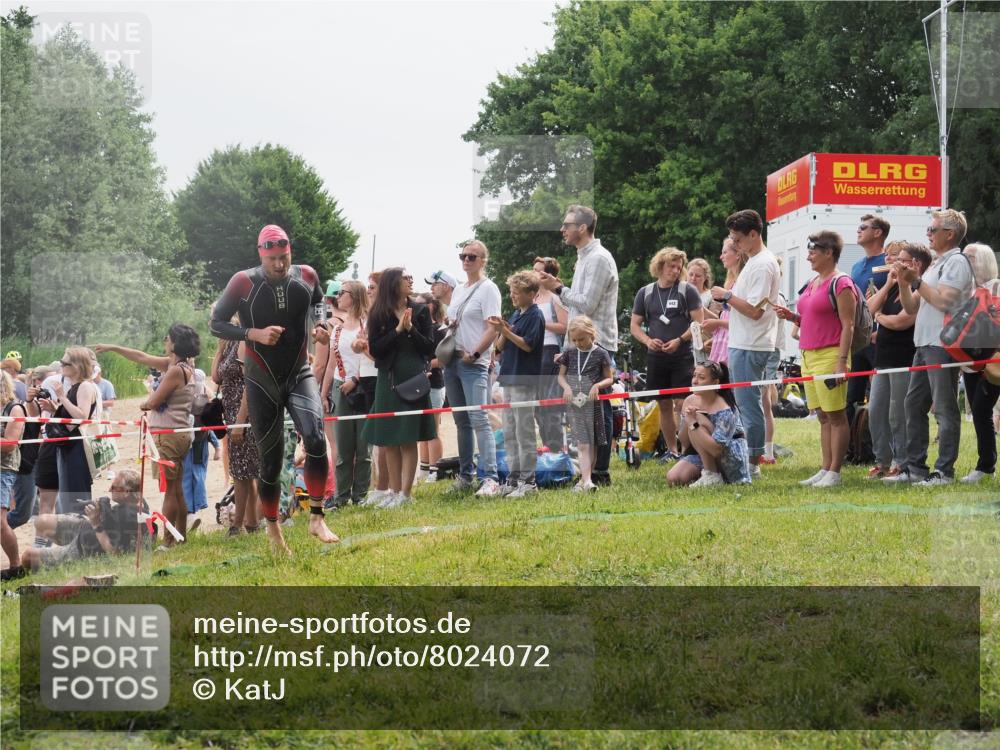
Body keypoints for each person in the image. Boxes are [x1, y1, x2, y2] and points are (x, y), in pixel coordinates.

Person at [210, 224, 339, 553]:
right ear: (261, 255)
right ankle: (272, 529)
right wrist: (253, 334)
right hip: (261, 379)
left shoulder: (307, 275)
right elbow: (216, 323)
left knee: (315, 438)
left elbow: (319, 304)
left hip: (298, 373)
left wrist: (321, 325)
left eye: (284, 257)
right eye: (273, 260)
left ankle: (317, 517)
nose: (280, 265)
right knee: (270, 463)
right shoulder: (243, 282)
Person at [888, 209, 976, 486]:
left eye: (932, 229)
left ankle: (944, 471)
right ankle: (915, 468)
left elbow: (944, 301)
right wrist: (904, 283)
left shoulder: (957, 262)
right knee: (913, 404)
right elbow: (911, 306)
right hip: (924, 343)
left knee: (944, 408)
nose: (928, 233)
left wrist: (916, 280)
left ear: (949, 234)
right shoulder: (937, 264)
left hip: (942, 343)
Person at [538, 205, 620, 486]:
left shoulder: (598, 258)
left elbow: (586, 304)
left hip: (598, 343)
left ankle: (600, 472)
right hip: (579, 345)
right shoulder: (584, 257)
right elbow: (577, 308)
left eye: (567, 225)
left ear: (582, 228)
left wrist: (558, 288)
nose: (562, 229)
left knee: (599, 408)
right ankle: (589, 470)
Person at [96, 325, 200, 545]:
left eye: (167, 338)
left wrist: (146, 398)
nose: (165, 342)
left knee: (169, 491)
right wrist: (113, 347)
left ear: (174, 343)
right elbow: (141, 357)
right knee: (177, 488)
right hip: (179, 433)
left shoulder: (174, 370)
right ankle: (180, 536)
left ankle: (168, 541)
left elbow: (153, 402)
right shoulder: (181, 366)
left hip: (167, 435)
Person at [775, 231, 857, 488]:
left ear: (829, 253)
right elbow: (813, 318)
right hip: (808, 355)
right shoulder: (812, 282)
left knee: (836, 415)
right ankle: (825, 468)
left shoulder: (842, 283)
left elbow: (848, 325)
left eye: (813, 251)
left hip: (830, 354)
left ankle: (835, 471)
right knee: (822, 415)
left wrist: (841, 361)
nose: (809, 256)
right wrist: (792, 317)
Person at [712, 210, 780, 475]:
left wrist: (727, 296)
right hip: (744, 342)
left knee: (749, 407)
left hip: (751, 344)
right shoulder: (755, 261)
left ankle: (752, 463)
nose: (735, 244)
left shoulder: (762, 264)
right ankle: (750, 458)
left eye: (738, 239)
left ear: (753, 234)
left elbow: (755, 311)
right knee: (747, 404)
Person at [362, 268, 437, 508]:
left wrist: (411, 329)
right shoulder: (378, 313)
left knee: (408, 438)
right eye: (406, 277)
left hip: (412, 379)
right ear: (393, 283)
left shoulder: (421, 310)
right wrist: (397, 331)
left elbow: (429, 347)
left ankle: (406, 494)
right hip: (388, 379)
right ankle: (393, 492)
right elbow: (375, 349)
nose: (411, 280)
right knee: (390, 439)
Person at [630, 247, 704, 459]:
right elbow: (634, 325)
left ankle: (689, 448)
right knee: (663, 403)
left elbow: (698, 322)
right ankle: (672, 450)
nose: (676, 271)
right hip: (656, 357)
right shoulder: (645, 293)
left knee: (682, 403)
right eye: (672, 266)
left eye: (679, 267)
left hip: (682, 355)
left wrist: (680, 340)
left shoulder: (687, 290)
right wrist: (647, 341)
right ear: (660, 266)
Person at [443, 240, 504, 496]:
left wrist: (477, 353)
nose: (466, 260)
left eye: (472, 256)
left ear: (483, 261)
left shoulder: (489, 289)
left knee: (479, 418)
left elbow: (493, 327)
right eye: (463, 256)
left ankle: (490, 477)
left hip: (474, 363)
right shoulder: (459, 289)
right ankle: (465, 476)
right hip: (452, 360)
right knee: (461, 421)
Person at [865, 241, 928, 479]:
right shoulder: (892, 285)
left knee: (897, 414)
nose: (892, 262)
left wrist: (880, 318)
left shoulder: (916, 289)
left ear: (914, 264)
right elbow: (868, 309)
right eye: (892, 257)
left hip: (903, 357)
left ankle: (901, 463)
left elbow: (902, 321)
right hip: (882, 358)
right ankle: (882, 461)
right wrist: (889, 284)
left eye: (899, 258)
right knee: (876, 410)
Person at [20, 469, 151, 570]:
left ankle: (54, 557)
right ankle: (52, 552)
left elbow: (114, 553)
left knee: (27, 556)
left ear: (127, 492)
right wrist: (100, 512)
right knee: (41, 521)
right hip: (86, 529)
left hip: (83, 548)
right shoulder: (139, 503)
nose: (109, 490)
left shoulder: (130, 518)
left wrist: (96, 523)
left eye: (114, 487)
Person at [491, 270, 545, 496]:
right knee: (510, 432)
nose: (512, 295)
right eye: (511, 291)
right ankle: (513, 479)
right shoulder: (516, 315)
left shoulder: (535, 316)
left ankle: (528, 482)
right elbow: (499, 347)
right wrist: (503, 331)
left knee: (524, 433)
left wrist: (506, 331)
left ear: (531, 294)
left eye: (517, 292)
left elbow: (528, 345)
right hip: (509, 378)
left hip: (524, 379)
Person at [326, 280, 376, 506]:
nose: (337, 296)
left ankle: (360, 495)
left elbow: (371, 358)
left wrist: (354, 380)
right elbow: (330, 365)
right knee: (343, 446)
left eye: (342, 292)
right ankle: (341, 496)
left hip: (363, 386)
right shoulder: (337, 329)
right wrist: (324, 394)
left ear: (354, 296)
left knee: (363, 447)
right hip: (340, 387)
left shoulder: (368, 324)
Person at [35, 347, 99, 515]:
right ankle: (74, 529)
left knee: (75, 496)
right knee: (68, 496)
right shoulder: (76, 386)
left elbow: (82, 416)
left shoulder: (85, 386)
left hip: (75, 448)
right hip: (68, 447)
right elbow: (73, 414)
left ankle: (80, 529)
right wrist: (55, 408)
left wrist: (62, 397)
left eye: (65, 363)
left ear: (77, 366)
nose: (61, 365)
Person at [212, 321, 261, 537]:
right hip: (231, 414)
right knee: (243, 471)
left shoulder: (242, 342)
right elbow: (216, 377)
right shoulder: (228, 343)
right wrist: (219, 349)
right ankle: (252, 523)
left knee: (242, 472)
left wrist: (240, 422)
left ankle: (237, 525)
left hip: (243, 413)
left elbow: (250, 383)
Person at [956, 242, 1000, 483]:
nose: (965, 261)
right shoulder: (967, 291)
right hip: (970, 362)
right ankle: (986, 466)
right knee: (979, 411)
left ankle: (986, 467)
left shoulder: (997, 288)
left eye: (970, 257)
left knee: (982, 410)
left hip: (993, 362)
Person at [667, 361, 751, 487]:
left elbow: (716, 450)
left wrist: (694, 423)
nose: (695, 381)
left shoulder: (726, 408)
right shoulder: (690, 400)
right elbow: (684, 442)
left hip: (730, 458)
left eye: (701, 377)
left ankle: (712, 475)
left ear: (715, 383)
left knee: (698, 418)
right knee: (674, 479)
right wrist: (687, 420)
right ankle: (707, 473)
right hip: (703, 452)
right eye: (694, 376)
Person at [557, 316, 614, 492]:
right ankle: (586, 480)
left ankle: (586, 480)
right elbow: (561, 376)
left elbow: (610, 378)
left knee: (594, 444)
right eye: (574, 340)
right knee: (583, 444)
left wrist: (597, 385)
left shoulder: (601, 353)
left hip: (594, 405)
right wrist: (566, 387)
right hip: (576, 404)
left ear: (591, 334)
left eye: (581, 339)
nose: (578, 343)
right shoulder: (569, 353)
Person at [847, 214, 891, 417]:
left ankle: (878, 436)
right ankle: (853, 436)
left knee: (881, 397)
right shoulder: (856, 266)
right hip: (858, 338)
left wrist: (884, 330)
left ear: (877, 232)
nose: (858, 230)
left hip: (879, 338)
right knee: (851, 397)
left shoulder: (888, 263)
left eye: (863, 227)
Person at [532, 256, 568, 452]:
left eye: (538, 270)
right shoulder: (532, 298)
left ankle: (556, 445)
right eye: (533, 269)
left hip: (550, 350)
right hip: (532, 352)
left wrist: (542, 324)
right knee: (537, 403)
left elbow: (565, 325)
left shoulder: (555, 297)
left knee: (550, 400)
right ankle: (547, 443)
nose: (534, 273)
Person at [314, 279, 346, 492]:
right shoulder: (357, 321)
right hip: (352, 384)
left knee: (335, 443)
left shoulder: (326, 326)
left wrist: (314, 392)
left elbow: (319, 365)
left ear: (327, 300)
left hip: (330, 387)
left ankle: (338, 490)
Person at [181, 369, 222, 522]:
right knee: (191, 475)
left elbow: (209, 426)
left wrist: (217, 446)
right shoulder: (188, 396)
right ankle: (190, 510)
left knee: (195, 475)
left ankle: (193, 509)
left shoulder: (204, 397)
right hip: (188, 442)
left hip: (199, 442)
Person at [415, 292, 446, 483]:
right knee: (422, 430)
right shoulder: (420, 329)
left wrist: (423, 366)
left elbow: (442, 360)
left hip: (434, 384)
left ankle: (436, 469)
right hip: (419, 384)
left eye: (419, 304)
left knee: (433, 430)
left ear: (430, 306)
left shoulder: (439, 330)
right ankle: (424, 469)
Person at [703, 238, 747, 365]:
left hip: (735, 345)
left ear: (738, 254)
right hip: (727, 342)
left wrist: (717, 323)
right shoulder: (733, 283)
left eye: (725, 252)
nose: (721, 256)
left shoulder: (742, 283)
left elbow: (744, 319)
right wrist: (717, 338)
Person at [1, 371, 25, 580]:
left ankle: (16, 567)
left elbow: (10, 444)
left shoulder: (14, 408)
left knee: (0, 522)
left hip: (4, 468)